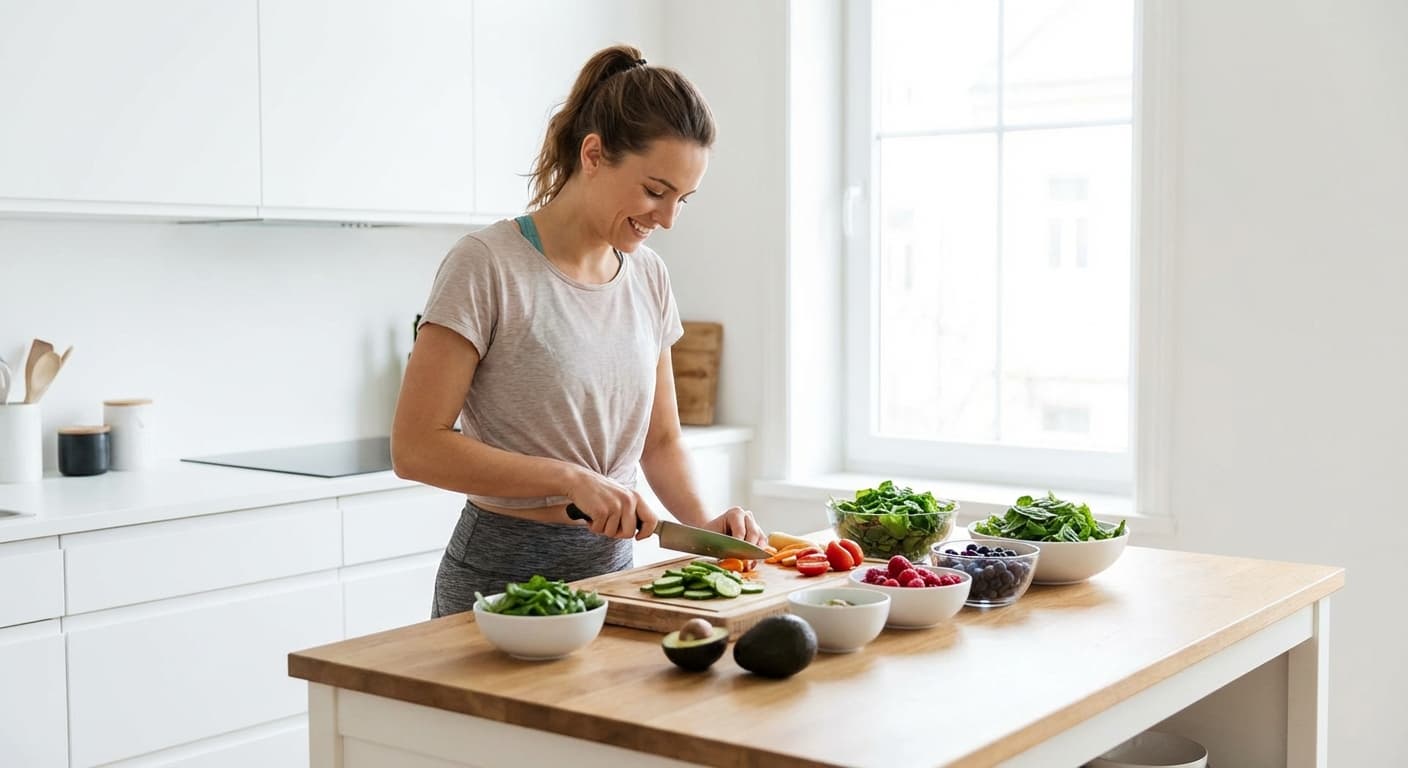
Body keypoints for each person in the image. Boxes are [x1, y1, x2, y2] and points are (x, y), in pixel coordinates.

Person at [392, 44, 767, 618]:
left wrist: (707, 525)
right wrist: (571, 480)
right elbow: (415, 446)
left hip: (613, 574)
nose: (667, 219)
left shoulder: (648, 276)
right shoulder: (486, 264)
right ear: (593, 154)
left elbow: (660, 441)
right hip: (500, 573)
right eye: (654, 190)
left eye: (682, 200)